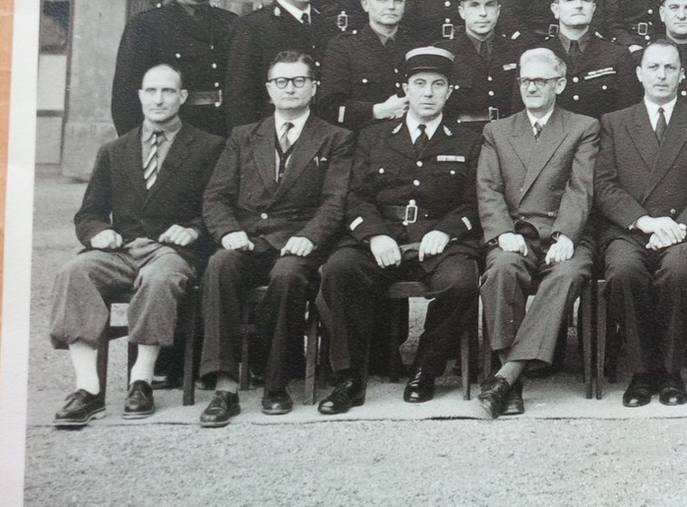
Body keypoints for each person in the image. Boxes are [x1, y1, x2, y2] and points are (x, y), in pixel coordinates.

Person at [48, 63, 225, 426]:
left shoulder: (209, 147)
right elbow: (89, 213)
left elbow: (219, 208)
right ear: (140, 96)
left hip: (171, 252)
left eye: (168, 91)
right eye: (152, 91)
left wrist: (194, 230)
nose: (159, 99)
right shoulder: (115, 150)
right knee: (74, 272)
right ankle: (87, 389)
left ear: (183, 97)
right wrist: (98, 232)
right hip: (122, 251)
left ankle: (141, 380)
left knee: (160, 279)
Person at [316, 47, 486, 412]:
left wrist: (447, 231)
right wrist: (375, 235)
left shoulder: (469, 140)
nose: (428, 92)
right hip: (383, 234)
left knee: (462, 281)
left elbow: (473, 201)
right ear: (404, 89)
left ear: (449, 91)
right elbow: (356, 196)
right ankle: (348, 377)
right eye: (419, 83)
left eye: (438, 84)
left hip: (438, 237)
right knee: (339, 269)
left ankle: (426, 368)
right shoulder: (372, 136)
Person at [197, 52, 353, 424]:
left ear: (314, 88)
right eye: (281, 82)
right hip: (248, 239)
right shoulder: (243, 136)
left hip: (300, 242)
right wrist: (229, 231)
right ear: (269, 89)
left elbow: (335, 202)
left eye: (299, 81)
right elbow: (215, 196)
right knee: (220, 264)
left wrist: (310, 237)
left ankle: (275, 383)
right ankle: (224, 386)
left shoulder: (336, 138)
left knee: (287, 275)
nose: (290, 89)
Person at [594, 41, 687, 407]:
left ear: (682, 74)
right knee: (622, 271)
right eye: (654, 68)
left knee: (679, 272)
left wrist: (680, 226)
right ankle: (641, 371)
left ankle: (671, 371)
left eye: (670, 68)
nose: (662, 75)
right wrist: (644, 221)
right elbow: (604, 185)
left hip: (685, 231)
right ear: (639, 74)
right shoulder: (614, 123)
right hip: (630, 229)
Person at [474, 47, 600, 418]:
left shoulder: (581, 127)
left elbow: (581, 188)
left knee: (566, 274)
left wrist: (566, 235)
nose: (531, 87)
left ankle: (506, 377)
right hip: (516, 232)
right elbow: (489, 188)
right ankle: (511, 380)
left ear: (559, 84)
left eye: (541, 81)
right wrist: (500, 232)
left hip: (564, 230)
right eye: (526, 80)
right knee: (501, 270)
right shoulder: (497, 130)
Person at [110, 0, 238, 138]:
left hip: (221, 135)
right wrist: (137, 151)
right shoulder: (146, 26)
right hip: (170, 136)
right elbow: (126, 99)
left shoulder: (231, 24)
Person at [223, 0, 335, 128]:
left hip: (320, 133)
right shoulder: (253, 26)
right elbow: (240, 98)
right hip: (270, 132)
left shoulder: (326, 25)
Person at [314, 0, 416, 131]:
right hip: (361, 142)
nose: (391, 6)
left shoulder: (415, 47)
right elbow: (329, 108)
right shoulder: (343, 48)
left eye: (397, 0)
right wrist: (377, 111)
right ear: (365, 4)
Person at [534, 0, 640, 121]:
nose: (579, 5)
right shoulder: (538, 55)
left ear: (593, 8)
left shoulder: (617, 55)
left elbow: (628, 116)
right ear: (555, 9)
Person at [445, 0, 531, 124]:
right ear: (461, 11)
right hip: (462, 136)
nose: (483, 13)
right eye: (474, 5)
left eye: (489, 5)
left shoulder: (517, 51)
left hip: (508, 133)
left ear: (498, 11)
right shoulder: (446, 53)